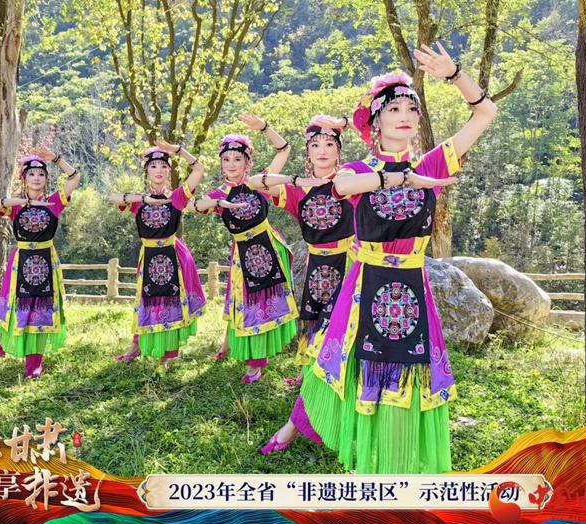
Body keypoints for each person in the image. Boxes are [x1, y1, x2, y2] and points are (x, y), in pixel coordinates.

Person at [263, 43, 497, 475]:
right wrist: (402, 177)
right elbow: (343, 188)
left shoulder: (433, 162)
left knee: (406, 372)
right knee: (336, 365)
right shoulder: (356, 168)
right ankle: (295, 426)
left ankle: (395, 464)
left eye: (412, 108)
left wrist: (454, 75)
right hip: (363, 283)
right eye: (394, 109)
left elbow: (485, 114)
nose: (405, 115)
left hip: (411, 288)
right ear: (375, 121)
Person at [186, 113, 297, 383]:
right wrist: (217, 204)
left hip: (269, 247)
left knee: (268, 303)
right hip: (243, 254)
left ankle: (259, 360)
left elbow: (284, 150)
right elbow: (190, 206)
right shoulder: (219, 192)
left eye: (237, 159)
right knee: (245, 305)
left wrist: (265, 127)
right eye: (226, 160)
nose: (231, 164)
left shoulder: (259, 182)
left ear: (248, 162)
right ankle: (251, 357)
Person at [247, 117, 355, 387]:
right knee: (314, 316)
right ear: (307, 152)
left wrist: (346, 123)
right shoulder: (298, 189)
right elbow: (254, 182)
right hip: (316, 263)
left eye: (329, 144)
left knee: (346, 317)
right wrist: (295, 179)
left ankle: (345, 376)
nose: (322, 151)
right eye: (315, 145)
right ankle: (308, 376)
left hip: (350, 260)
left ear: (338, 150)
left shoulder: (349, 180)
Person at [0, 150, 80, 379]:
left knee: (40, 311)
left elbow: (75, 177)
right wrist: (24, 201)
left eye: (41, 174)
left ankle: (34, 364)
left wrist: (55, 159)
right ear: (24, 178)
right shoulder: (15, 206)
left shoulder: (54, 202)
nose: (36, 178)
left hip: (46, 263)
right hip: (20, 263)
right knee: (7, 308)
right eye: (32, 174)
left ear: (46, 179)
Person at [109, 142, 208, 373]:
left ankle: (165, 358)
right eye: (153, 166)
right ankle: (137, 345)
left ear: (169, 171)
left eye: (164, 166)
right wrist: (145, 200)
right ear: (147, 171)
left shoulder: (177, 197)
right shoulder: (138, 201)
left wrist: (178, 150)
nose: (159, 170)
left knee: (171, 303)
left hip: (173, 257)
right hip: (149, 257)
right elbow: (114, 198)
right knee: (147, 300)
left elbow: (199, 169)